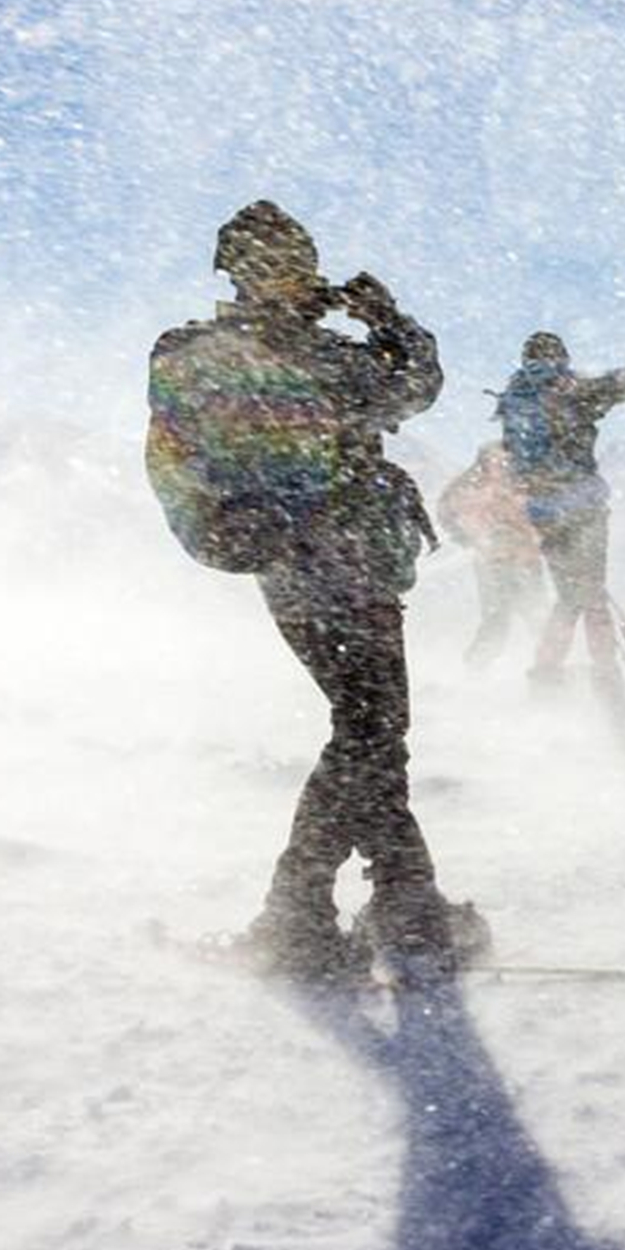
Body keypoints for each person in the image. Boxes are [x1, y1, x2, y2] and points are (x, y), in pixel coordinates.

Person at [145, 200, 484, 981]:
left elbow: (409, 391)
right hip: (335, 568)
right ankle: (324, 916)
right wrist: (386, 323)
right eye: (274, 265)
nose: (286, 277)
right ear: (243, 273)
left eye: (293, 264)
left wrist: (376, 325)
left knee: (370, 732)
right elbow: (413, 386)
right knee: (371, 730)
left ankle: (394, 909)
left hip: (321, 567)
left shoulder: (203, 353)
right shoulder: (307, 358)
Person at [495, 333, 625, 706]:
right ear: (559, 356)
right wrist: (612, 380)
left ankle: (545, 674)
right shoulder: (569, 387)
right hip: (583, 506)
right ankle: (607, 678)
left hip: (543, 509)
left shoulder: (513, 397)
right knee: (593, 597)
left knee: (568, 598)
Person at [437, 441, 545, 668]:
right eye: (495, 460)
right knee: (498, 619)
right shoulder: (470, 487)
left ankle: (548, 667)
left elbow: (543, 515)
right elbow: (446, 510)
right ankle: (477, 667)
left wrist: (544, 536)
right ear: (483, 462)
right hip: (492, 561)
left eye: (506, 461)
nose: (501, 465)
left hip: (525, 559)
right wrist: (464, 536)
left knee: (537, 615)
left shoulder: (523, 484)